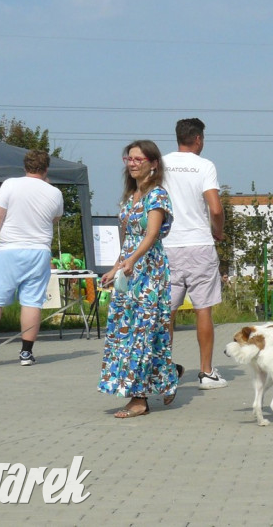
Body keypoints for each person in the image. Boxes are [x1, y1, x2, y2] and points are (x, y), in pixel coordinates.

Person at [98, 140, 178, 418]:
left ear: (153, 163)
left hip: (149, 271)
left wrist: (132, 260)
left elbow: (151, 235)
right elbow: (127, 241)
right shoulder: (129, 196)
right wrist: (115, 267)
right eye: (128, 159)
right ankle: (167, 377)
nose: (132, 164)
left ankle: (139, 399)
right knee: (127, 332)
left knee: (141, 334)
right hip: (130, 271)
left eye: (138, 159)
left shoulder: (157, 196)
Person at [0, 150, 64, 368]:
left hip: (10, 249)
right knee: (32, 301)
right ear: (46, 169)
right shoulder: (55, 192)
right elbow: (55, 217)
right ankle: (26, 353)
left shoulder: (10, 184)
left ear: (25, 166)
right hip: (39, 251)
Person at [162, 118, 227, 390]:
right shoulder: (205, 165)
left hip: (167, 245)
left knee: (167, 312)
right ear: (198, 139)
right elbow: (215, 208)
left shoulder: (160, 164)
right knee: (203, 310)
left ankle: (163, 368)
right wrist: (219, 231)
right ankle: (207, 372)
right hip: (199, 244)